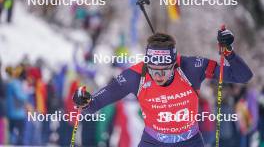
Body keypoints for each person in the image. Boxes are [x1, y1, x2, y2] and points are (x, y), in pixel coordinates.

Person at [73, 29, 253, 147]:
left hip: (189, 141)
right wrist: (84, 100)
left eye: (164, 71)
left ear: (174, 64)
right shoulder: (135, 76)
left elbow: (243, 76)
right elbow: (94, 104)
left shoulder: (192, 67)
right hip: (153, 142)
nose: (158, 76)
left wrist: (228, 51)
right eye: (153, 70)